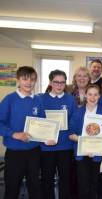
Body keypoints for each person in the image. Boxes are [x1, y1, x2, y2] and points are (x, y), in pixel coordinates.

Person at [0, 66, 44, 199]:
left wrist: (47, 136)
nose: (29, 83)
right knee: (12, 188)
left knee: (35, 187)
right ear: (18, 80)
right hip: (15, 153)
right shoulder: (9, 99)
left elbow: (43, 123)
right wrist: (14, 134)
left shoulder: (38, 100)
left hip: (34, 151)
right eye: (25, 79)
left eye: (32, 79)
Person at [69, 84, 102, 199]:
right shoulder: (78, 112)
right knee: (83, 185)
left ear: (99, 96)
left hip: (97, 153)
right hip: (81, 153)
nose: (93, 97)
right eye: (90, 94)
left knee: (95, 183)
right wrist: (85, 143)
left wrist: (98, 143)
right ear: (85, 96)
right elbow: (71, 134)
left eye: (96, 95)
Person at [40, 70, 77, 199]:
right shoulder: (41, 99)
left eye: (62, 82)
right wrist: (43, 138)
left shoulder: (71, 99)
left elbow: (74, 120)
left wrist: (72, 133)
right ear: (50, 82)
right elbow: (37, 122)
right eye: (56, 82)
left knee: (65, 179)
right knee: (47, 179)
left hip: (65, 146)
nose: (59, 85)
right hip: (46, 146)